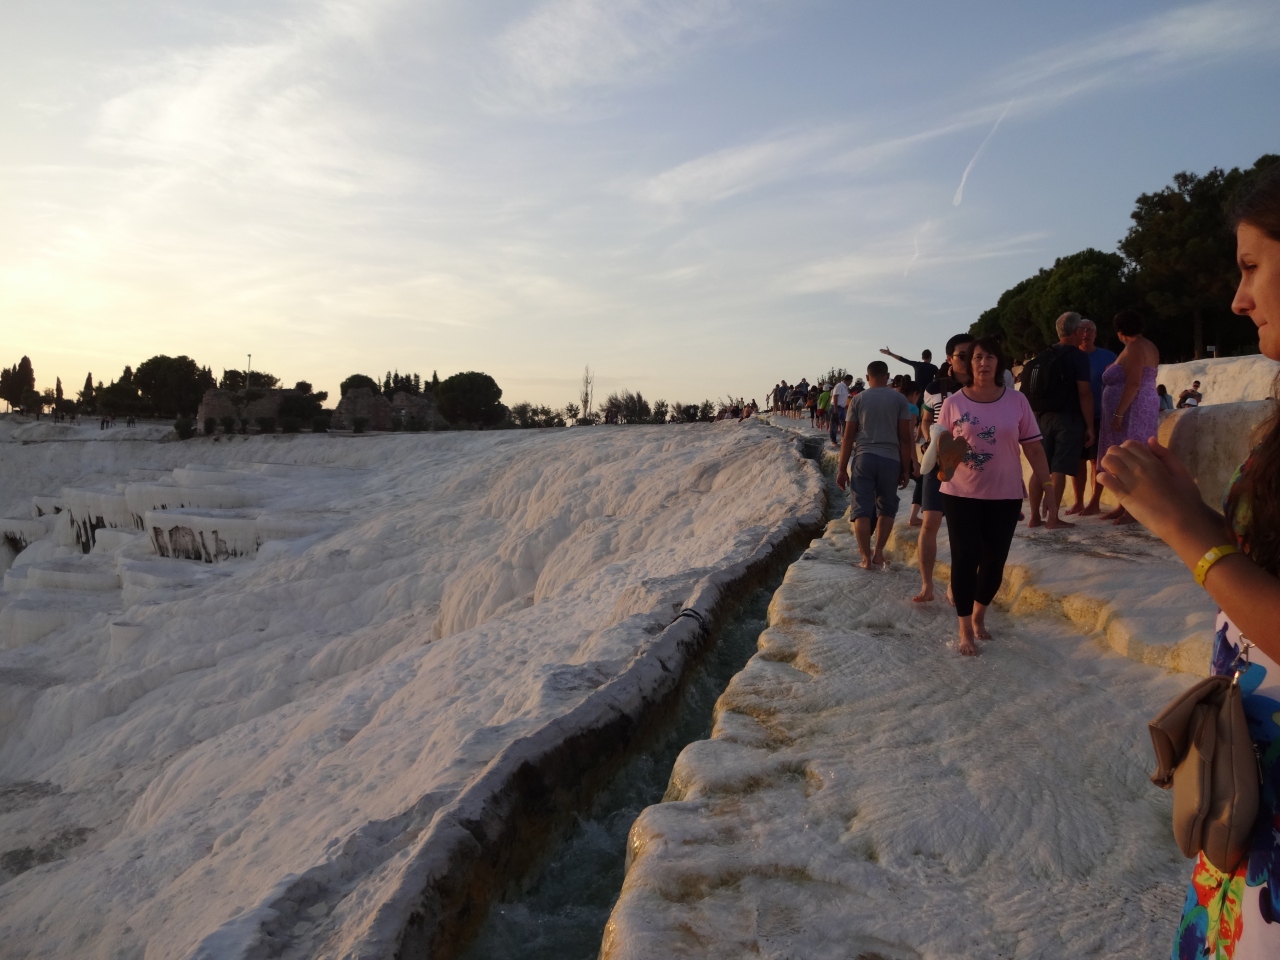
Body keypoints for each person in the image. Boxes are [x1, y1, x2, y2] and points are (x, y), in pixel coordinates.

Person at [1097, 163, 1280, 960]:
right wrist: (1193, 510)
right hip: (1254, 787)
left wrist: (1185, 531)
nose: (1238, 298)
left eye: (1252, 266)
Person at [939, 336, 1057, 654]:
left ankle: (979, 615)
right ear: (969, 363)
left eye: (990, 357)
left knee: (994, 563)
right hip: (960, 493)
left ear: (998, 363)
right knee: (964, 559)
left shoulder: (1017, 401)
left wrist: (1048, 487)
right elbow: (940, 448)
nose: (983, 363)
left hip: (1005, 494)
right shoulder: (953, 404)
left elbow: (1034, 448)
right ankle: (965, 629)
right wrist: (941, 457)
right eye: (977, 357)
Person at [835, 361, 914, 570]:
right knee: (886, 508)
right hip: (891, 460)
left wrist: (842, 469)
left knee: (861, 509)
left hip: (864, 459)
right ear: (887, 376)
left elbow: (848, 437)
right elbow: (905, 438)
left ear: (868, 377)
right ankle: (878, 554)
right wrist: (906, 469)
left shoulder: (858, 399)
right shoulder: (899, 399)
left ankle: (865, 559)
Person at [914, 334, 974, 603]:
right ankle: (927, 585)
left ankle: (955, 584)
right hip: (937, 461)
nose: (968, 360)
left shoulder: (982, 385)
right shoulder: (934, 387)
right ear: (949, 358)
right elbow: (926, 420)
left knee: (962, 529)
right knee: (930, 523)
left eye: (972, 354)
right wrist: (932, 440)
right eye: (962, 355)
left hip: (969, 465)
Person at [1022, 311, 1095, 529]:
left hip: (1040, 418)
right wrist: (1090, 426)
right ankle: (1053, 518)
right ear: (1077, 331)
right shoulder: (1078, 356)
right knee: (1059, 469)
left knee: (1040, 468)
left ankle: (1035, 517)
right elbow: (1084, 393)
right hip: (1067, 418)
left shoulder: (1043, 354)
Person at [1096, 310, 1161, 525]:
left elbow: (1133, 383)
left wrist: (1118, 413)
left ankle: (1133, 509)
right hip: (1144, 402)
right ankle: (1123, 506)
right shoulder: (1148, 345)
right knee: (1129, 454)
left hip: (1135, 407)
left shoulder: (1134, 347)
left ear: (1119, 331)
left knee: (1128, 455)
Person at [1068, 318, 1117, 516]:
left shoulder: (1109, 357)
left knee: (1097, 460)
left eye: (1090, 330)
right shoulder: (1070, 356)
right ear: (1076, 332)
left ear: (1096, 334)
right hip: (1075, 416)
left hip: (1101, 416)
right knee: (1077, 461)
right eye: (1082, 329)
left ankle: (1095, 502)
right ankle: (1078, 501)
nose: (1086, 333)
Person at [829, 374, 852, 446]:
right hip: (836, 407)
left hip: (842, 408)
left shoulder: (845, 388)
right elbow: (835, 396)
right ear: (849, 380)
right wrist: (835, 408)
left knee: (845, 422)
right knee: (834, 424)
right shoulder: (839, 386)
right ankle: (833, 441)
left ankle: (843, 438)